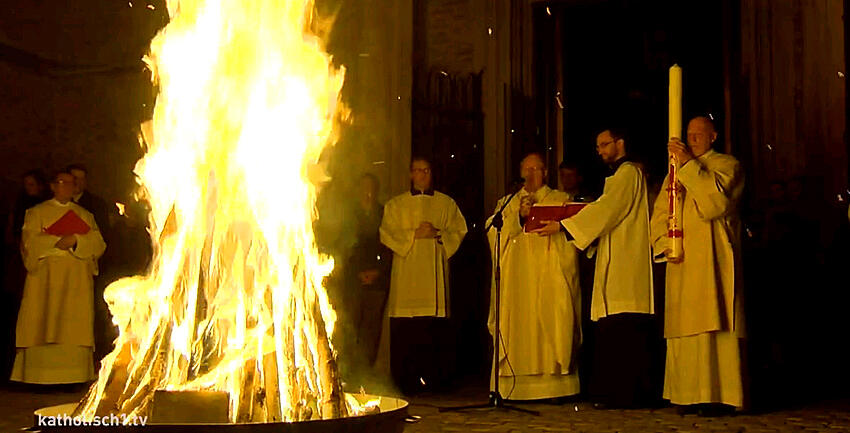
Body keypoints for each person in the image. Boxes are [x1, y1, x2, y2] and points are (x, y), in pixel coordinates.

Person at [535, 129, 657, 408]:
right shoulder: (620, 176)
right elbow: (604, 210)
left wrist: (564, 226)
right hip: (615, 257)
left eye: (604, 144)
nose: (599, 150)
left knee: (624, 328)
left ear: (620, 143)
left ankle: (627, 394)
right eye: (598, 146)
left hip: (626, 262)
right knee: (614, 327)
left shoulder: (628, 173)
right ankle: (616, 393)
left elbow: (607, 210)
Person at [649, 116, 746, 415]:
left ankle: (718, 396)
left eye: (699, 135)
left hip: (712, 261)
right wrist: (664, 242)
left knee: (712, 322)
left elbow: (716, 205)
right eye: (688, 135)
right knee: (684, 326)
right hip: (683, 260)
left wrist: (689, 165)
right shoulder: (674, 172)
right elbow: (660, 211)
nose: (692, 140)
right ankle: (687, 395)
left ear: (713, 136)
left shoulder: (727, 165)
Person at [486, 152, 581, 401]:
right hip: (517, 278)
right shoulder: (507, 202)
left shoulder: (559, 199)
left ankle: (555, 386)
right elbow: (493, 232)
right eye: (526, 169)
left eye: (536, 169)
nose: (531, 174)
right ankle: (514, 386)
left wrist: (557, 227)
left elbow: (574, 232)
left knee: (551, 319)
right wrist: (519, 217)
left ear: (545, 173)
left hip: (549, 272)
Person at [379, 157, 467, 394]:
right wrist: (413, 234)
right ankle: (405, 383)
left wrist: (437, 233)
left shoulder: (446, 203)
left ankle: (435, 382)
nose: (423, 175)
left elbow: (459, 230)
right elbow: (386, 233)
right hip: (407, 274)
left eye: (427, 170)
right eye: (418, 170)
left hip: (433, 274)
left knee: (432, 329)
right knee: (406, 331)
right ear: (410, 174)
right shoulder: (396, 205)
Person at [11, 171, 106, 385]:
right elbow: (29, 242)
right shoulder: (36, 212)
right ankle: (38, 376)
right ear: (53, 186)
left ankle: (74, 376)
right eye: (63, 182)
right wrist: (56, 242)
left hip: (76, 278)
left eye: (72, 183)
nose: (68, 187)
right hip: (45, 279)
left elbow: (98, 243)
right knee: (41, 321)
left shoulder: (85, 215)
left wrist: (76, 240)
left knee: (72, 325)